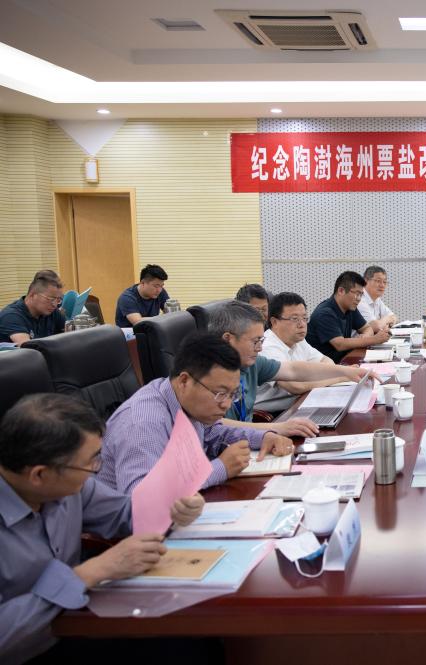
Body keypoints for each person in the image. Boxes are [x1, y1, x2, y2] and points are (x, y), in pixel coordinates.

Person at [0, 393, 203, 664]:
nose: (96, 469)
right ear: (39, 475)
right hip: (27, 650)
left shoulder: (69, 483)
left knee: (192, 640)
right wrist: (88, 573)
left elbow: (127, 514)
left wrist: (175, 506)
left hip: (78, 624)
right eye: (91, 462)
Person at [98, 332, 294, 493]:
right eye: (220, 394)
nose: (226, 405)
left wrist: (263, 437)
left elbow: (212, 432)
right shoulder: (143, 422)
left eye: (232, 394)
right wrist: (219, 468)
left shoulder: (182, 401)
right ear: (184, 381)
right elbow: (142, 499)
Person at [209, 301, 373, 437]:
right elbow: (213, 426)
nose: (260, 348)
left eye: (261, 341)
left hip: (249, 440)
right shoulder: (207, 375)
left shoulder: (252, 362)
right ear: (228, 339)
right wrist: (277, 428)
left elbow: (293, 370)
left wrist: (345, 371)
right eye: (255, 341)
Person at [256, 292, 346, 412]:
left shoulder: (298, 339)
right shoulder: (268, 346)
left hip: (300, 402)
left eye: (304, 318)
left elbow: (326, 361)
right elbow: (295, 387)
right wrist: (340, 378)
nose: (302, 325)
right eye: (294, 319)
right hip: (272, 415)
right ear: (274, 322)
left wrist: (335, 374)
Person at [307, 271, 390, 363]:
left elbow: (367, 328)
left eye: (361, 294)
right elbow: (340, 344)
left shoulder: (350, 308)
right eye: (356, 293)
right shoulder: (325, 313)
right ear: (341, 291)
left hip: (344, 359)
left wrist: (365, 337)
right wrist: (374, 339)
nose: (359, 299)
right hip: (326, 366)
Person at [0, 270, 66, 345]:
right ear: (32, 295)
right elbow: (29, 349)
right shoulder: (11, 316)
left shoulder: (51, 311)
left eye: (58, 300)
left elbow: (69, 337)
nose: (54, 304)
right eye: (51, 299)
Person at [357, 266, 397, 332]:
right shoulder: (359, 300)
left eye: (385, 282)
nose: (382, 285)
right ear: (365, 281)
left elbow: (394, 317)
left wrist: (384, 323)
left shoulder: (377, 299)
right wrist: (387, 319)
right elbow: (376, 327)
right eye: (378, 281)